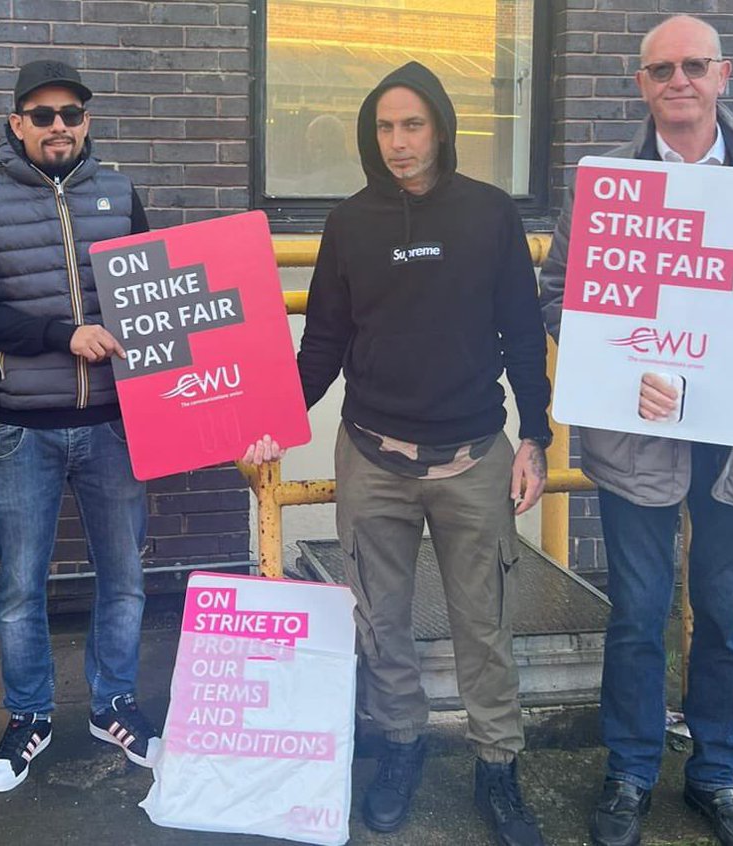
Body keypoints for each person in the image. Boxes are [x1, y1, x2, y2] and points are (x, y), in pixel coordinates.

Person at [539, 16, 733, 846]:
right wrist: (612, 367)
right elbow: (560, 296)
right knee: (636, 616)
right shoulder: (605, 184)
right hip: (637, 444)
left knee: (724, 617)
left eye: (694, 65)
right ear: (640, 83)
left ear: (724, 74)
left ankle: (715, 774)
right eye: (660, 69)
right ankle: (631, 772)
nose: (678, 80)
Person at [250, 61, 552, 844]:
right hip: (373, 457)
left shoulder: (490, 216)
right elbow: (322, 342)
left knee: (481, 625)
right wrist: (274, 420)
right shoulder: (350, 223)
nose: (398, 141)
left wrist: (539, 438)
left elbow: (524, 332)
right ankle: (400, 748)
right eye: (385, 127)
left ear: (442, 127)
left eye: (413, 124)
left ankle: (499, 766)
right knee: (382, 625)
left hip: (475, 455)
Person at [0, 60, 158, 793]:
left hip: (113, 424)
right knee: (19, 586)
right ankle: (29, 715)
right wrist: (61, 333)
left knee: (125, 579)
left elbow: (154, 299)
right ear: (17, 124)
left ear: (86, 121)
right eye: (42, 115)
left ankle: (114, 706)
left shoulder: (121, 193)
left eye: (71, 113)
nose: (58, 126)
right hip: (24, 428)